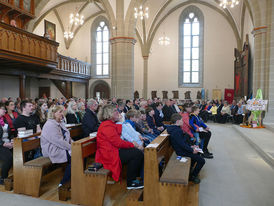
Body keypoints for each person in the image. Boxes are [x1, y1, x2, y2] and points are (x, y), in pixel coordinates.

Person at [95, 104, 144, 189]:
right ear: (109, 113)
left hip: (113, 150)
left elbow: (122, 130)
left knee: (136, 152)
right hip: (108, 154)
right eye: (115, 111)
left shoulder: (110, 124)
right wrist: (133, 144)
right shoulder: (106, 126)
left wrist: (120, 119)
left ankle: (136, 178)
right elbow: (117, 142)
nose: (118, 112)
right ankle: (131, 182)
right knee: (137, 153)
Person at [167, 113, 205, 184]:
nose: (183, 121)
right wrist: (192, 150)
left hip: (182, 149)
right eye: (181, 120)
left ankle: (190, 169)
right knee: (202, 161)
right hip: (181, 152)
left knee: (199, 153)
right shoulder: (177, 131)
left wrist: (192, 146)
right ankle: (192, 176)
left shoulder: (175, 129)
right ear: (177, 121)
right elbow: (182, 145)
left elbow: (183, 142)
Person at [41, 105, 72, 187]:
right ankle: (64, 183)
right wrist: (72, 147)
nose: (62, 114)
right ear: (53, 113)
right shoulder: (50, 125)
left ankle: (73, 178)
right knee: (75, 157)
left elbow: (67, 137)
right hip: (52, 150)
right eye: (60, 112)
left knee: (79, 153)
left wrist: (74, 144)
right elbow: (59, 141)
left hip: (60, 147)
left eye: (63, 112)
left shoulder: (60, 122)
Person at [0, 103, 13, 184]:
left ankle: (21, 176)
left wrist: (12, 140)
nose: (5, 110)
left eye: (5, 109)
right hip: (1, 144)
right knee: (9, 158)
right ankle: (3, 178)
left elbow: (10, 132)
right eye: (3, 109)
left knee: (21, 154)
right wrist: (4, 144)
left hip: (7, 142)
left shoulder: (4, 119)